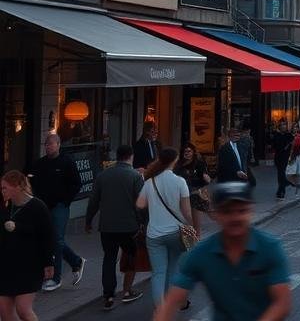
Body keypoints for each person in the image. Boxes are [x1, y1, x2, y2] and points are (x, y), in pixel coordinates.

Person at [155, 182, 291, 321]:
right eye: (227, 211)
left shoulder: (269, 247)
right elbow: (172, 301)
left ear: (251, 212)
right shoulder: (202, 253)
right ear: (216, 214)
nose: (235, 218)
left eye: (242, 210)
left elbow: (282, 303)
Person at [86, 145, 145, 310]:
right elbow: (141, 203)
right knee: (131, 256)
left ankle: (108, 295)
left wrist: (88, 220)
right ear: (131, 157)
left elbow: (93, 201)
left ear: (117, 157)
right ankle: (127, 290)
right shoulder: (135, 176)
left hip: (107, 226)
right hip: (129, 226)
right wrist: (144, 222)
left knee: (109, 258)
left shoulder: (103, 175)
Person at [27, 132, 83, 291]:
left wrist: (66, 201)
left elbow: (76, 184)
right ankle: (75, 261)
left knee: (57, 240)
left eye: (51, 144)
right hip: (43, 206)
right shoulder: (40, 163)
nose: (48, 147)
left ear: (58, 145)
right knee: (49, 239)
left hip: (59, 206)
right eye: (46, 144)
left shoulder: (67, 162)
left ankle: (55, 278)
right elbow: (30, 180)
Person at [137, 148, 192, 309]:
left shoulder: (149, 182)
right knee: (173, 269)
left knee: (158, 273)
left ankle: (159, 309)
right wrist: (191, 226)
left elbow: (140, 205)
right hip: (175, 232)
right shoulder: (180, 182)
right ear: (174, 161)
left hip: (154, 234)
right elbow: (187, 211)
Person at [0, 170, 55, 321]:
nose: (2, 191)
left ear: (17, 186)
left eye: (5, 188)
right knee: (5, 312)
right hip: (6, 266)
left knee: (23, 309)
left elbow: (47, 236)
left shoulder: (37, 206)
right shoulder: (6, 206)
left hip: (29, 265)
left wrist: (49, 263)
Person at [175, 143, 212, 236]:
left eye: (189, 151)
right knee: (185, 224)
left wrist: (206, 177)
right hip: (181, 196)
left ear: (193, 152)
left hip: (195, 196)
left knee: (196, 225)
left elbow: (205, 178)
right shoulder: (178, 165)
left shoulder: (199, 163)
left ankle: (196, 242)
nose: (186, 153)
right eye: (185, 151)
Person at [270, 120, 294, 199]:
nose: (283, 127)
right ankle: (284, 185)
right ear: (279, 127)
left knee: (281, 172)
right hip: (278, 156)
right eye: (282, 125)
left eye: (284, 125)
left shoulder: (289, 135)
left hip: (285, 156)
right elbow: (273, 146)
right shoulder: (276, 135)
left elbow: (293, 143)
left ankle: (282, 191)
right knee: (280, 173)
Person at [286, 122, 300, 195]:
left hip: (297, 156)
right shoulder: (290, 136)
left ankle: (296, 190)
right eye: (294, 127)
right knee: (289, 173)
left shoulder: (299, 136)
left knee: (296, 173)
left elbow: (299, 147)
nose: (295, 128)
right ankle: (293, 185)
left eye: (296, 127)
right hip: (291, 156)